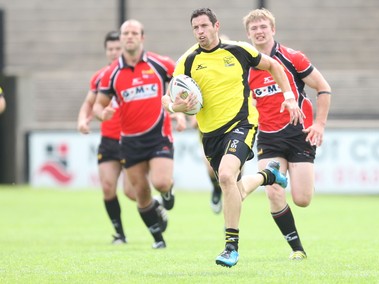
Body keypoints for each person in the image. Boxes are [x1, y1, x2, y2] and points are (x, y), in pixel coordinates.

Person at [162, 8, 304, 267]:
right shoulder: (188, 60)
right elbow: (168, 97)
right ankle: (267, 176)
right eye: (196, 28)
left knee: (227, 176)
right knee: (234, 189)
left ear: (216, 26)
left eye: (204, 26)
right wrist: (176, 107)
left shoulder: (238, 50)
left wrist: (289, 96)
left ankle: (231, 247)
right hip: (210, 133)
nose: (200, 32)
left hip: (242, 123)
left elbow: (273, 64)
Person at [242, 8, 332, 260]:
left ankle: (293, 178)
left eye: (263, 27)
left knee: (302, 199)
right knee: (272, 191)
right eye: (254, 29)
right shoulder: (246, 67)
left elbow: (323, 88)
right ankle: (297, 249)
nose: (259, 32)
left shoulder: (293, 58)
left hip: (299, 133)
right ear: (248, 35)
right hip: (269, 137)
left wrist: (320, 125)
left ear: (273, 30)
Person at [93, 19, 185, 249]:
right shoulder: (111, 73)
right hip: (130, 141)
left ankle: (167, 191)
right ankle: (158, 240)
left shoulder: (160, 63)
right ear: (121, 38)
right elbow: (97, 104)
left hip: (158, 135)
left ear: (142, 37)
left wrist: (182, 112)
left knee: (161, 182)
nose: (130, 36)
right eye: (126, 33)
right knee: (141, 193)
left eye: (134, 33)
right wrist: (101, 114)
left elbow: (182, 86)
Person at [77, 31, 157, 244]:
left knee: (132, 193)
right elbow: (89, 103)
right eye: (110, 49)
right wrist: (83, 120)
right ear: (106, 51)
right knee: (107, 187)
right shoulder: (100, 77)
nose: (113, 53)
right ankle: (120, 234)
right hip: (109, 139)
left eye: (117, 49)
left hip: (130, 139)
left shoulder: (134, 71)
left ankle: (154, 205)